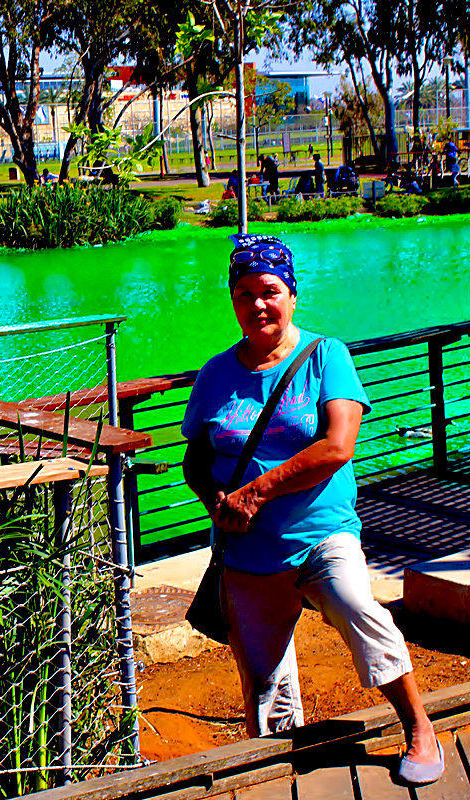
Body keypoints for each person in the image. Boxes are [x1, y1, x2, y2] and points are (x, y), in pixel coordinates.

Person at [181, 234, 445, 787]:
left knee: (360, 613)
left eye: (269, 291)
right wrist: (218, 505)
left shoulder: (326, 356)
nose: (257, 304)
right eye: (244, 293)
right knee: (263, 680)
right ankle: (279, 773)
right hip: (248, 550)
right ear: (232, 299)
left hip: (321, 532)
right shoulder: (214, 374)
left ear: (292, 296)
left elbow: (336, 446)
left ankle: (420, 727)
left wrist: (256, 492)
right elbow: (196, 460)